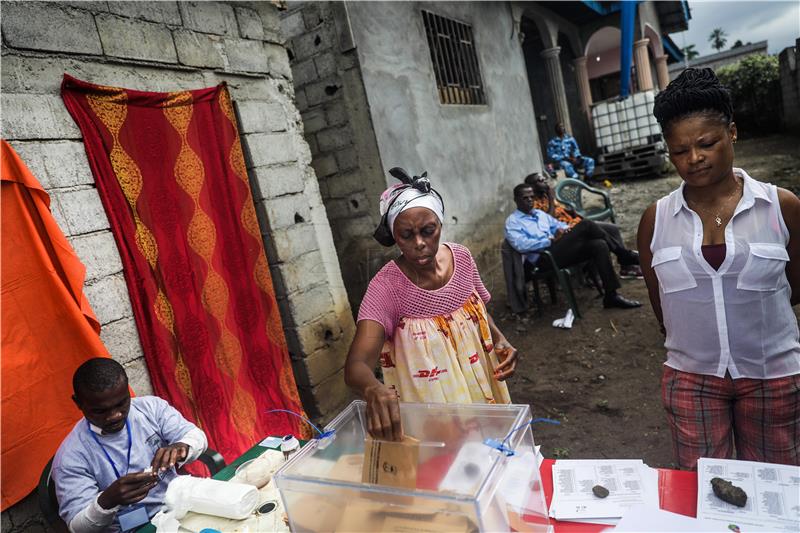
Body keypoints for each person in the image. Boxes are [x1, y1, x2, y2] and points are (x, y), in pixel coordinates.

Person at [637, 67, 800, 469]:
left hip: (774, 376)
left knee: (776, 487)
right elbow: (661, 303)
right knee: (706, 492)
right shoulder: (655, 220)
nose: (694, 159)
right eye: (679, 151)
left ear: (732, 133)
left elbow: (796, 287)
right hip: (691, 379)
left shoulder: (782, 207)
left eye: (706, 143)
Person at [345, 168, 518, 441]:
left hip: (479, 385)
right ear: (394, 235)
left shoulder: (461, 258)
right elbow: (357, 364)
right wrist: (372, 389)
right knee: (446, 465)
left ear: (440, 224)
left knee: (491, 452)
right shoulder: (387, 287)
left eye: (428, 231)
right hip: (432, 405)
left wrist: (499, 338)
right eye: (406, 235)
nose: (420, 243)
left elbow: (476, 309)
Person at [52, 358, 208, 532]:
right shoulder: (71, 457)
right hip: (130, 529)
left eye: (121, 403)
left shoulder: (151, 408)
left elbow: (197, 437)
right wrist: (107, 501)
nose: (115, 416)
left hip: (178, 508)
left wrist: (182, 447)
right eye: (100, 410)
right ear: (78, 403)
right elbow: (77, 527)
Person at [505, 183, 641, 310]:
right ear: (516, 200)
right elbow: (520, 245)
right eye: (525, 198)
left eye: (531, 197)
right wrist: (549, 240)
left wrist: (565, 230)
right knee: (586, 224)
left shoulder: (540, 215)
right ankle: (624, 255)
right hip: (543, 260)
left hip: (559, 252)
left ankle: (611, 296)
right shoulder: (513, 222)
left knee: (599, 245)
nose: (529, 200)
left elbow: (559, 226)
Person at [525, 172, 642, 279]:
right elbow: (547, 221)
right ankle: (623, 256)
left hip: (573, 225)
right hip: (563, 235)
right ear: (532, 186)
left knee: (611, 229)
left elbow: (561, 211)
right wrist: (551, 198)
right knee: (589, 227)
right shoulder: (532, 204)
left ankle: (626, 267)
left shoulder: (545, 196)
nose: (545, 181)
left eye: (544, 178)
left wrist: (570, 212)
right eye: (541, 180)